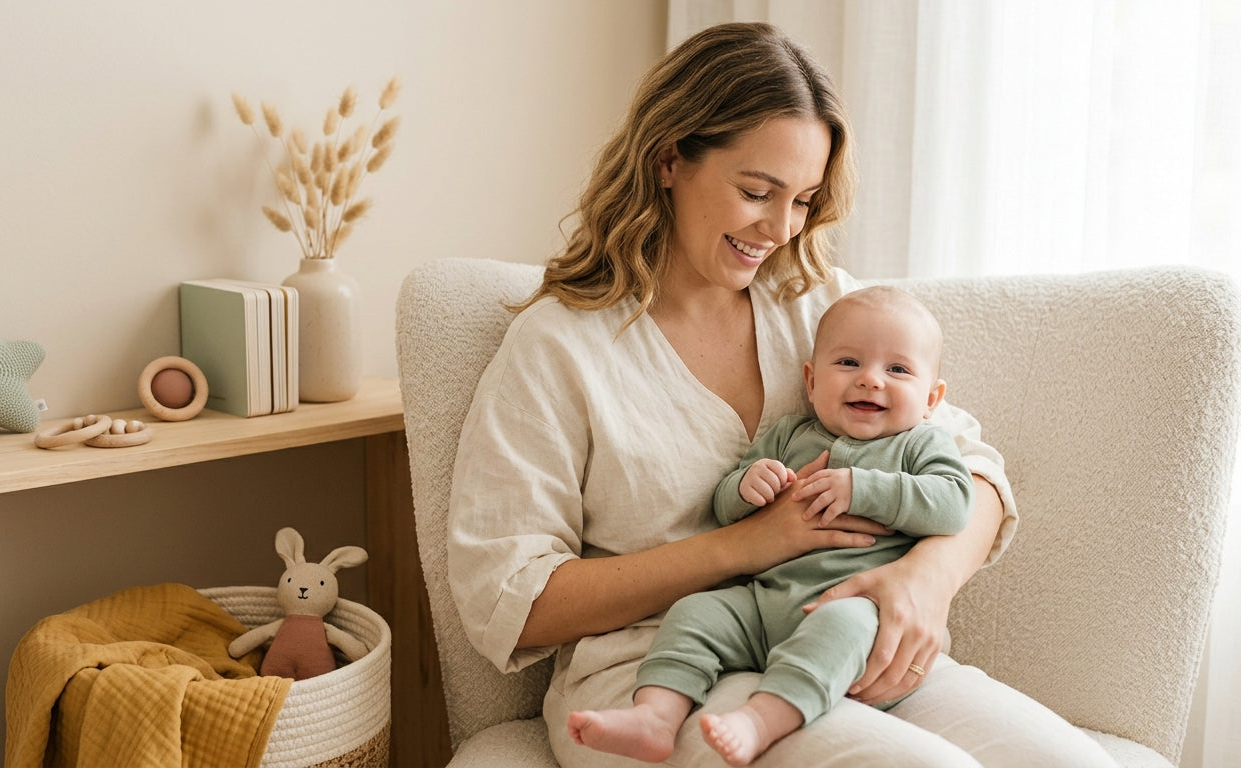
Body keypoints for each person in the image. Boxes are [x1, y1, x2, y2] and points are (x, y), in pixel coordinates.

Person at [447, 21, 1116, 767]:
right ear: (670, 159)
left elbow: (972, 464)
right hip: (651, 677)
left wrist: (925, 580)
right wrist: (745, 544)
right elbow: (511, 600)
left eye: (802, 199)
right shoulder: (561, 346)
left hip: (834, 633)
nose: (780, 228)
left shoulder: (814, 303)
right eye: (757, 191)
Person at [569, 286, 974, 766]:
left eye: (897, 370)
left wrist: (864, 489)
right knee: (696, 614)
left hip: (854, 609)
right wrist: (747, 486)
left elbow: (955, 503)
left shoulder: (919, 444)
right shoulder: (789, 436)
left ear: (931, 398)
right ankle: (654, 715)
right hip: (762, 604)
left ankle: (760, 720)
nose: (870, 380)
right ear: (810, 380)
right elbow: (724, 507)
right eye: (847, 363)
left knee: (840, 627)